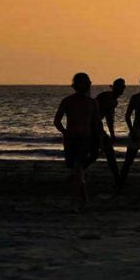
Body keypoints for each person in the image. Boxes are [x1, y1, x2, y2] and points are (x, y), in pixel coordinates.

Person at [53, 72, 102, 211]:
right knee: (77, 170)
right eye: (79, 83)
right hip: (71, 139)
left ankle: (76, 201)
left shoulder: (92, 103)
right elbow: (57, 120)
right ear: (75, 85)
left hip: (86, 139)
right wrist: (65, 132)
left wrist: (100, 142)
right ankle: (85, 199)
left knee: (78, 168)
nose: (82, 85)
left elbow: (97, 124)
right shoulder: (67, 101)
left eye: (84, 83)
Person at [95, 78, 127, 184]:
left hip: (96, 126)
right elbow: (108, 117)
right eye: (122, 86)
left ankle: (116, 176)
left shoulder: (113, 100)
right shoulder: (109, 98)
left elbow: (110, 117)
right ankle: (117, 177)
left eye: (123, 87)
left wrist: (112, 132)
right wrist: (112, 133)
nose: (123, 88)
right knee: (108, 151)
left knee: (103, 152)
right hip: (93, 126)